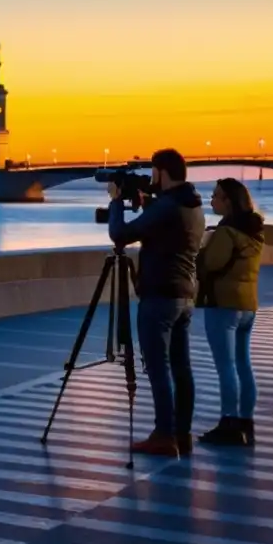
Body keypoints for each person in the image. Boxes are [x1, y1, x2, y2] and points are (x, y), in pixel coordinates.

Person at [108, 148, 205, 457]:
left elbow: (120, 234)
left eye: (153, 173)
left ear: (161, 172)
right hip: (184, 296)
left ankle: (164, 435)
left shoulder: (167, 207)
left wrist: (115, 201)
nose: (151, 179)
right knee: (181, 367)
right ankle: (182, 433)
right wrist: (146, 204)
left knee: (159, 368)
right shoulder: (192, 205)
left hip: (160, 296)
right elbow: (164, 231)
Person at [197, 178, 264, 446]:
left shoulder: (226, 232)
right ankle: (246, 422)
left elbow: (211, 264)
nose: (211, 200)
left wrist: (201, 253)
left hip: (223, 304)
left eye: (216, 196)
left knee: (225, 366)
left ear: (229, 202)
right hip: (248, 305)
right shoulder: (254, 230)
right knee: (243, 364)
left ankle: (229, 423)